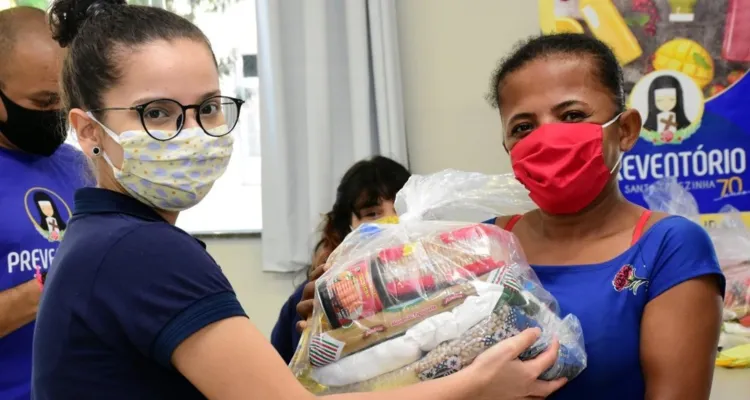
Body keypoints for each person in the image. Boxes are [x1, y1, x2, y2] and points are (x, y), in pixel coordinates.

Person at [32, 1, 567, 399]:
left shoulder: (103, 237)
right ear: (89, 130)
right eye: (158, 114)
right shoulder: (140, 250)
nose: (194, 133)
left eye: (209, 108)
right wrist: (477, 385)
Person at [485, 33, 725, 399]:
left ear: (625, 130)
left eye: (572, 116)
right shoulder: (485, 245)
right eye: (523, 127)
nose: (547, 138)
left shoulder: (669, 248)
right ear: (507, 147)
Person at [0, 6, 90, 400]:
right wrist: (55, 283)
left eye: (63, 99)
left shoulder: (82, 165)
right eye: (41, 103)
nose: (56, 116)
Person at [271, 156, 410, 363]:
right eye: (372, 213)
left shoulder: (441, 280)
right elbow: (283, 370)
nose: (392, 222)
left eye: (401, 209)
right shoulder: (311, 296)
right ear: (348, 226)